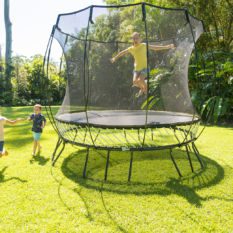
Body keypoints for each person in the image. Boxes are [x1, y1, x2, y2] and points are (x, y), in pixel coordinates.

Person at [110, 32, 175, 97]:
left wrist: (167, 46)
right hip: (136, 69)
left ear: (140, 39)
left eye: (137, 38)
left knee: (140, 80)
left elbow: (155, 48)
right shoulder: (131, 48)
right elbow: (122, 53)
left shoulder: (143, 45)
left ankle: (146, 91)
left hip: (145, 68)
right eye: (134, 38)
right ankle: (143, 87)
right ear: (132, 40)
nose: (135, 40)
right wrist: (115, 58)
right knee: (135, 82)